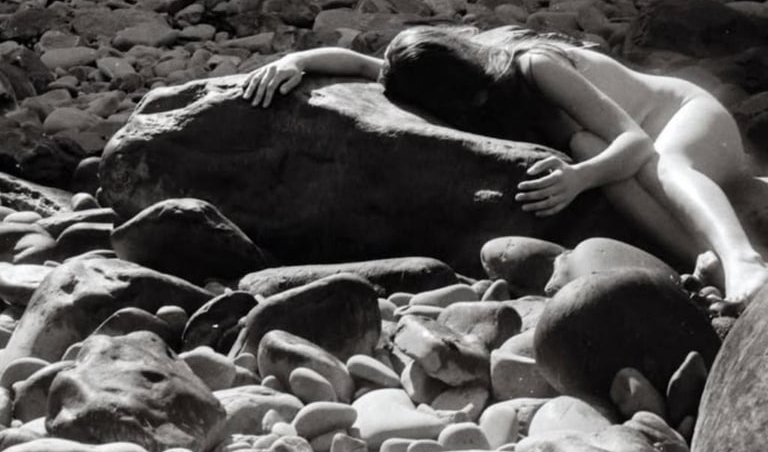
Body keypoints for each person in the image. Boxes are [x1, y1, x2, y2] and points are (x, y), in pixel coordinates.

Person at [241, 25, 768, 313]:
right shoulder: (438, 75)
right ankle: (698, 260)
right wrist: (296, 62)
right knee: (585, 144)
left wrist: (578, 180)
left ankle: (741, 259)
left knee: (641, 159)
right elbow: (360, 65)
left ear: (475, 77)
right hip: (629, 149)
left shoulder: (533, 66)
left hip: (684, 118)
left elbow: (632, 142)